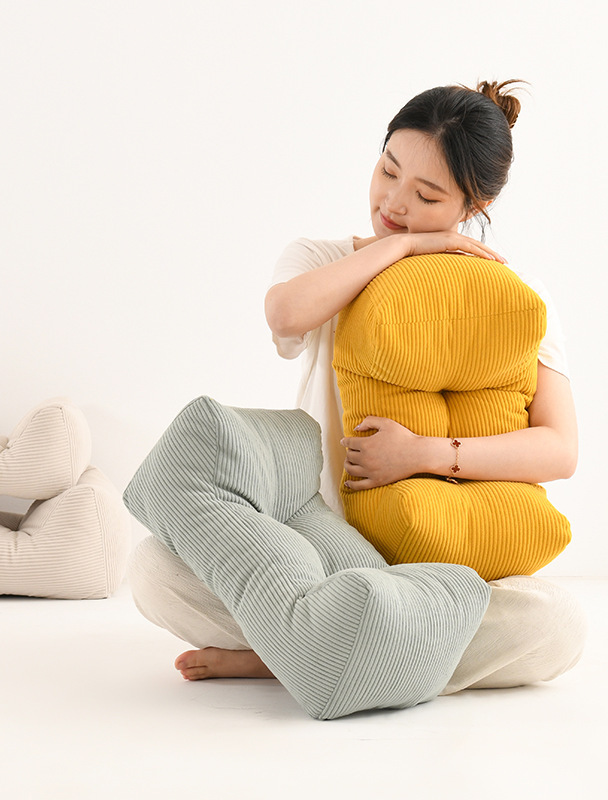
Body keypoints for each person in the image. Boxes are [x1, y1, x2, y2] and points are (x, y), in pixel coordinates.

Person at [129, 80, 586, 690]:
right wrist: (408, 245)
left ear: (473, 206)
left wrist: (423, 454)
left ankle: (297, 649)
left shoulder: (517, 298)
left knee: (558, 624)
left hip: (444, 562)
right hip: (312, 547)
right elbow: (285, 316)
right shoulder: (323, 258)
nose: (393, 201)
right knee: (154, 571)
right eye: (388, 170)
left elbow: (559, 449)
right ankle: (369, 651)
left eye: (426, 195)